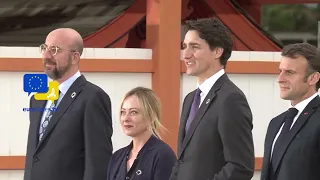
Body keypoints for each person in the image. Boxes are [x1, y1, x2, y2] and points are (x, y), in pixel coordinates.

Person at [169, 17, 255, 180]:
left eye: (194, 47)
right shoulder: (190, 99)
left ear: (217, 51)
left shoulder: (231, 99)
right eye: (184, 46)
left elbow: (240, 166)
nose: (186, 55)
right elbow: (182, 161)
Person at [23, 28, 113, 180]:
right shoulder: (37, 98)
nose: (46, 55)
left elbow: (98, 163)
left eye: (55, 50)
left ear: (75, 57)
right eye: (44, 48)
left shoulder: (93, 98)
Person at [261, 43, 320, 180]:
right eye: (280, 71)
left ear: (313, 78)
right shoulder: (275, 124)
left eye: (289, 72)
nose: (280, 79)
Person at [107, 87, 176, 180]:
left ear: (151, 117)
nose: (125, 118)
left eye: (133, 112)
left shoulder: (163, 155)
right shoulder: (117, 157)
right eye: (123, 112)